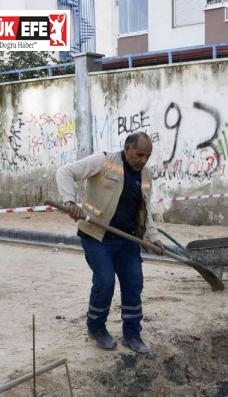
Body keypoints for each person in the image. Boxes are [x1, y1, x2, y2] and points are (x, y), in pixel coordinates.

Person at [56, 132, 164, 354]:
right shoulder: (103, 161)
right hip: (97, 236)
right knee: (105, 282)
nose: (144, 160)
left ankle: (132, 334)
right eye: (140, 154)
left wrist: (153, 237)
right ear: (127, 149)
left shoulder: (146, 174)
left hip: (128, 239)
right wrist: (69, 200)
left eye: (148, 155)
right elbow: (65, 172)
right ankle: (96, 328)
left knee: (134, 284)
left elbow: (145, 210)